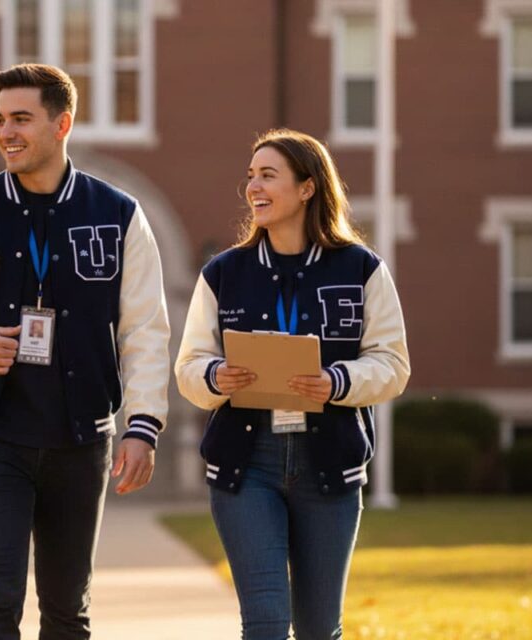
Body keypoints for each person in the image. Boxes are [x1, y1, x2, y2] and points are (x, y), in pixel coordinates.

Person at [0, 63, 170, 639]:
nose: (6, 133)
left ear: (61, 123)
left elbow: (145, 329)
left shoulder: (118, 214)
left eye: (21, 118)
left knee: (68, 613)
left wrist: (143, 426)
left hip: (80, 442)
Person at [174, 128, 410, 640]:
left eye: (268, 175)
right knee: (264, 623)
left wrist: (337, 381)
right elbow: (190, 366)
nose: (253, 187)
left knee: (319, 629)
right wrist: (217, 376)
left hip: (330, 465)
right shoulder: (223, 273)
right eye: (251, 176)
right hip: (246, 465)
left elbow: (393, 364)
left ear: (307, 188)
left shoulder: (362, 269)